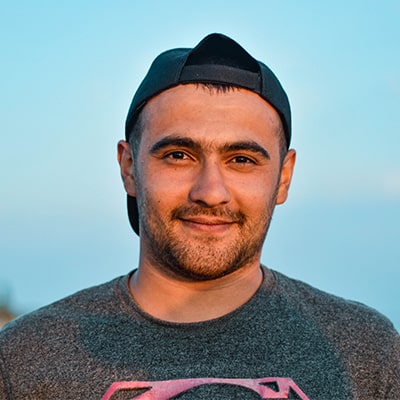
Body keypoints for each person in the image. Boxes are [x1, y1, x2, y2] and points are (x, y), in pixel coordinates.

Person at [0, 33, 399, 400]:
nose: (210, 192)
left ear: (284, 177)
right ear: (129, 167)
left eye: (242, 160)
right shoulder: (23, 360)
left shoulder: (366, 355)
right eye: (178, 155)